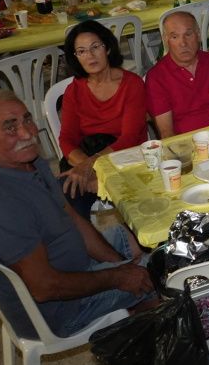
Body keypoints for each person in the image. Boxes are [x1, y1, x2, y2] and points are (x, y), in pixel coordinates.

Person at [0, 91, 154, 340]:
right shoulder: (1, 204)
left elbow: (72, 218)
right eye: (10, 127)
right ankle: (147, 342)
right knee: (164, 273)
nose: (27, 133)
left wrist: (120, 266)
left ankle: (137, 309)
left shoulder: (29, 163)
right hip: (60, 310)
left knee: (143, 234)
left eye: (27, 119)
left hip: (76, 265)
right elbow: (44, 288)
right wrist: (117, 276)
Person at [58, 21, 148, 218]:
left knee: (78, 189)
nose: (90, 55)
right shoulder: (74, 90)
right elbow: (66, 139)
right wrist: (87, 167)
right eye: (81, 51)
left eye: (95, 47)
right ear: (76, 57)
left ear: (107, 48)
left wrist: (93, 166)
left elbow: (130, 138)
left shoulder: (131, 84)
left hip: (126, 156)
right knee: (65, 191)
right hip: (88, 156)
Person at [145, 11, 209, 138]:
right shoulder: (156, 77)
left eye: (188, 34)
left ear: (198, 35)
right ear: (166, 40)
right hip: (185, 143)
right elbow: (166, 133)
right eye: (174, 37)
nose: (183, 43)